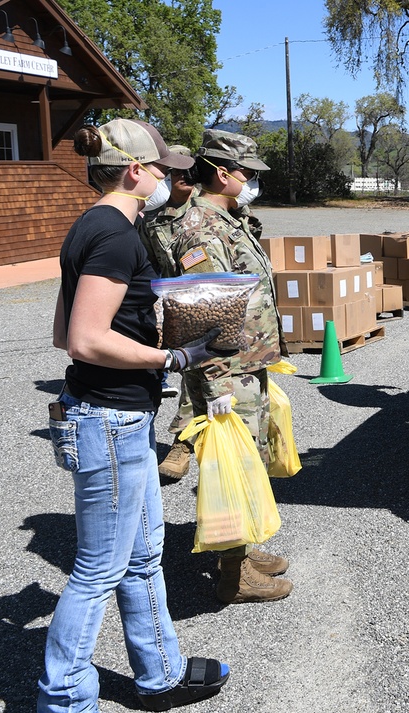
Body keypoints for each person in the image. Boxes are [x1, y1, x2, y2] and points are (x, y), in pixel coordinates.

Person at [41, 118, 230, 712]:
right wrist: (171, 354)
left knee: (144, 555)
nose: (167, 177)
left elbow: (60, 331)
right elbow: (84, 340)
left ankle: (160, 675)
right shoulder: (117, 235)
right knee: (98, 569)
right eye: (160, 168)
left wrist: (152, 322)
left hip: (120, 418)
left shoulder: (91, 228)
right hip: (107, 419)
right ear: (134, 170)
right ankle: (65, 698)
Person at [169, 129, 293, 605]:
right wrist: (217, 386)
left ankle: (241, 551)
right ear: (222, 174)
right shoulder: (201, 228)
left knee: (252, 459)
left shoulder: (230, 220)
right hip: (225, 371)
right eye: (247, 173)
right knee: (232, 466)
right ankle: (233, 574)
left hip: (247, 363)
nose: (252, 180)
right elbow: (203, 316)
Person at [138, 145, 201, 477]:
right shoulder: (150, 222)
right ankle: (139, 437)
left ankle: (183, 444)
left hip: (206, 306)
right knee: (150, 371)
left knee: (195, 375)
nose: (185, 178)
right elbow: (145, 266)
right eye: (176, 173)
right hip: (168, 306)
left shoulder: (208, 213)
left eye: (189, 171)